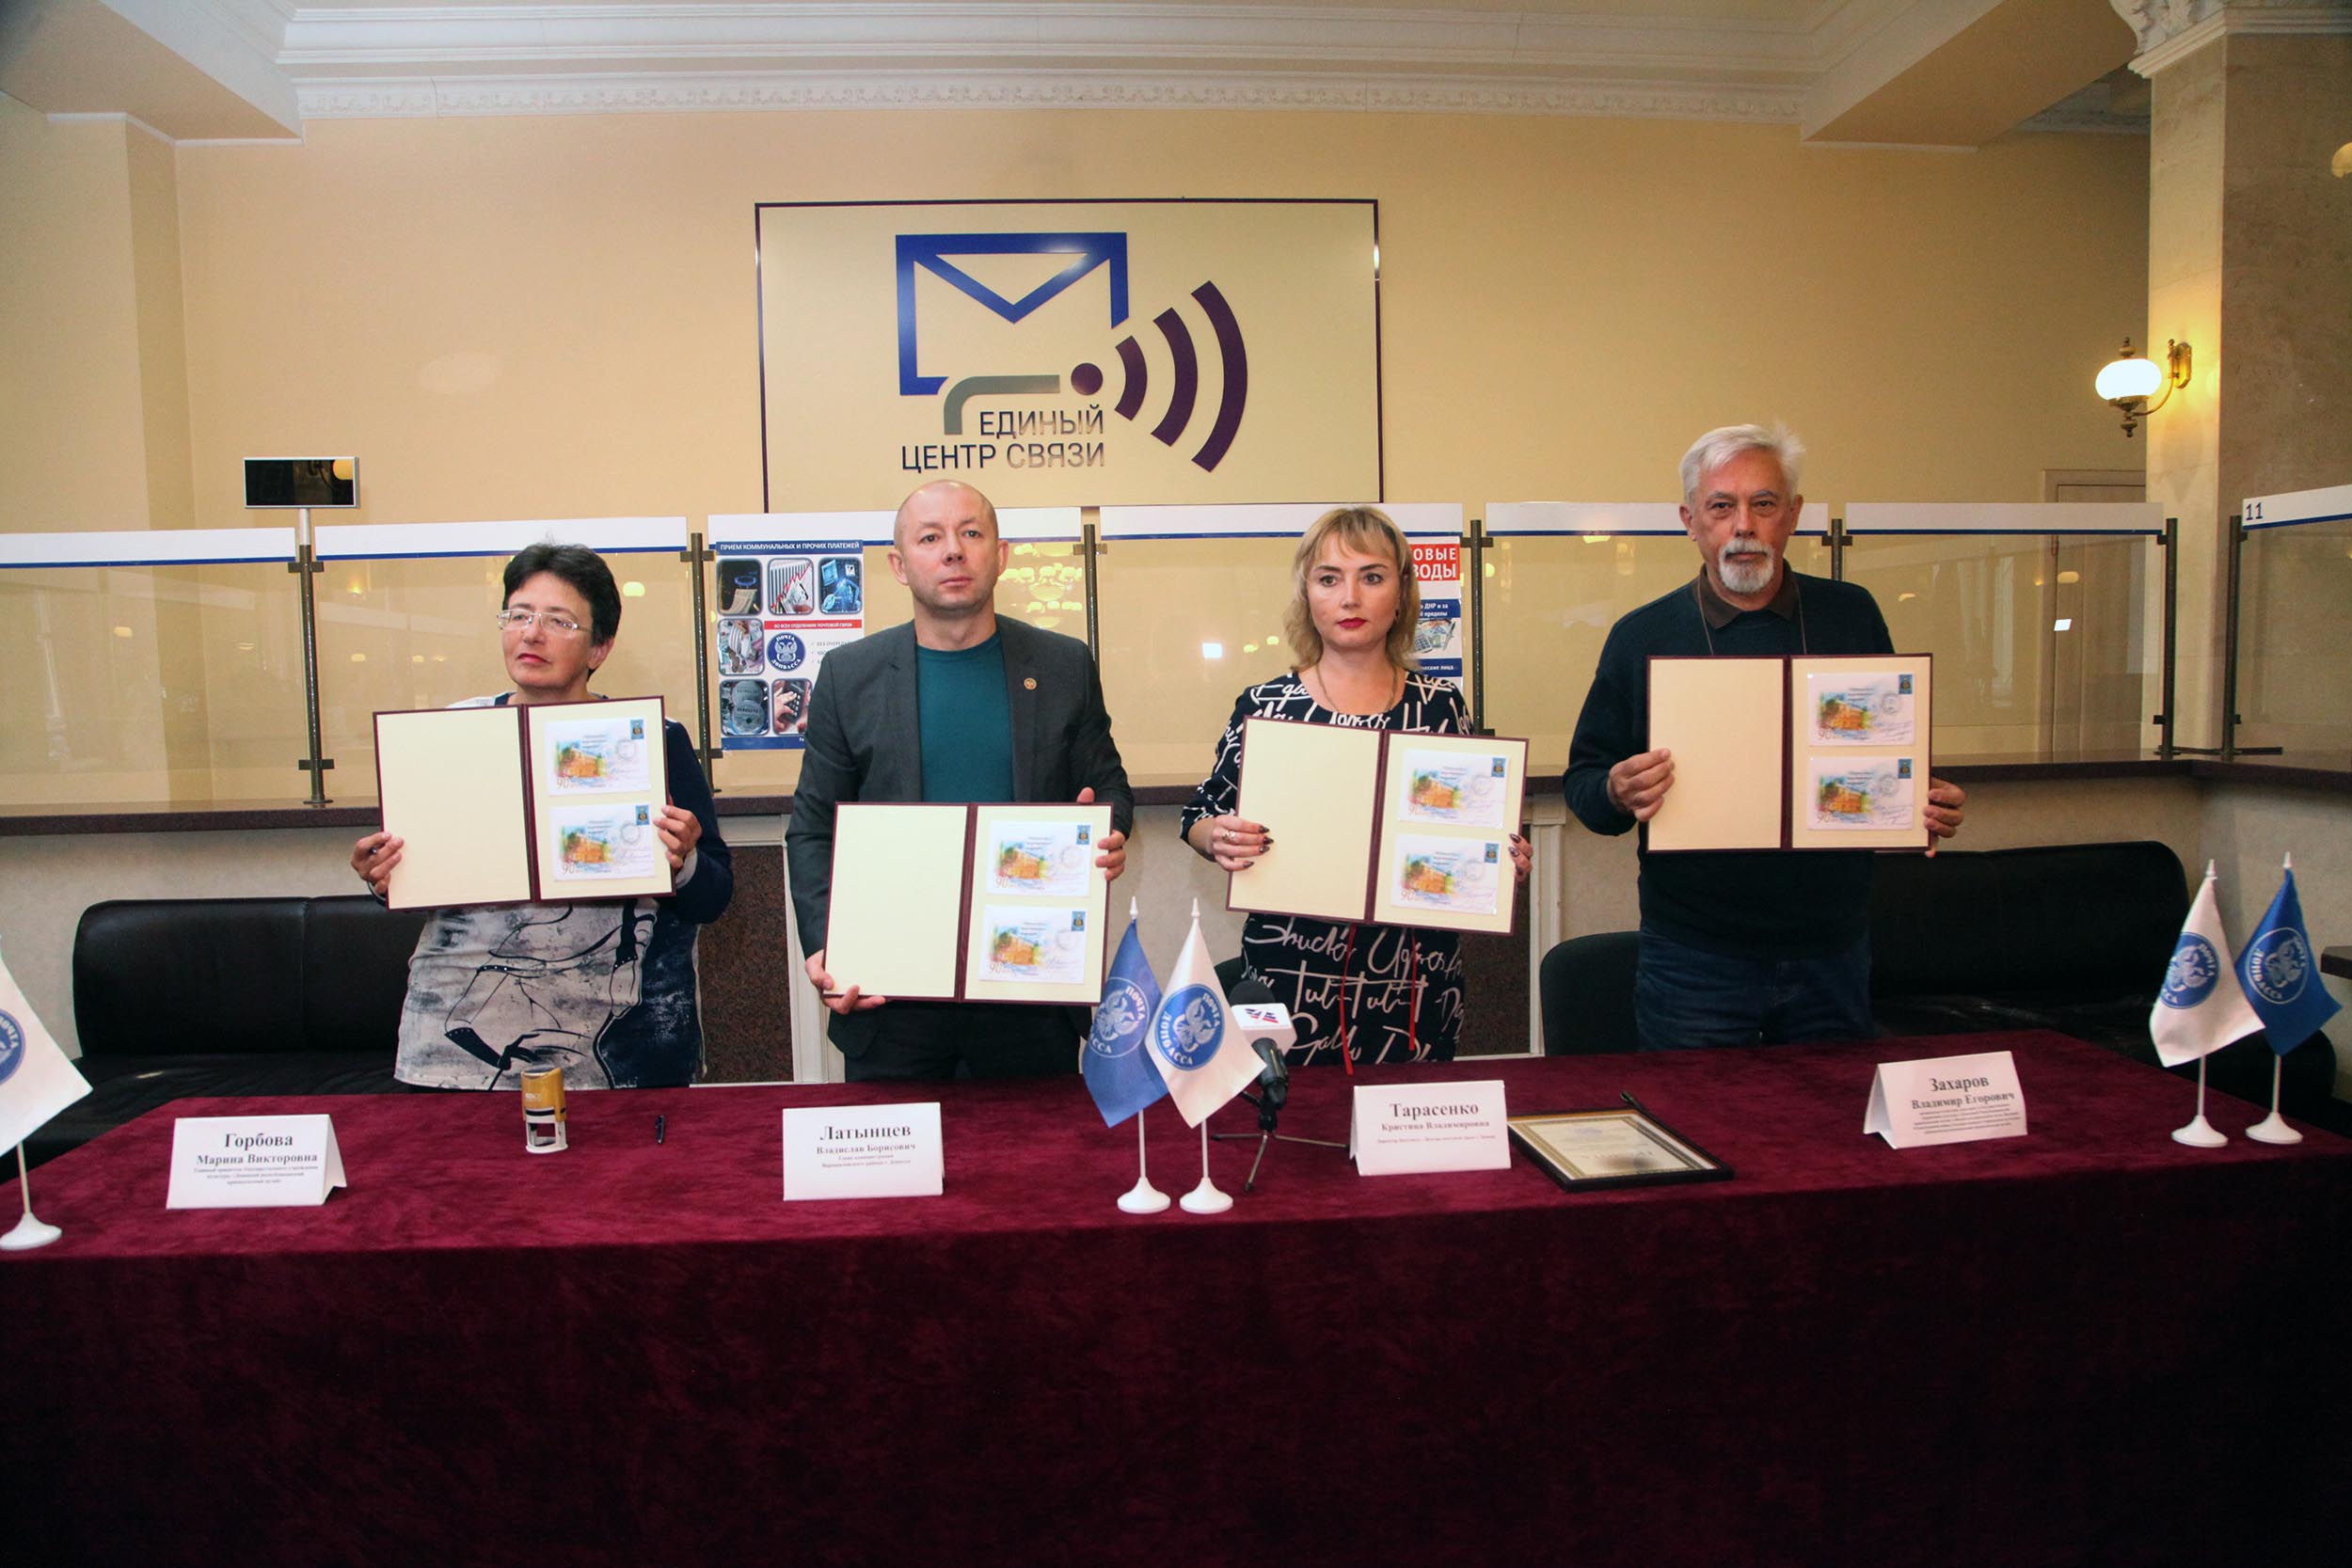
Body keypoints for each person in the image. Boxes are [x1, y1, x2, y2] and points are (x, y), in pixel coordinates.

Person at [1565, 424, 1965, 1050]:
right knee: (1691, 1112)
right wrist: (1616, 790)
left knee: (1830, 1113)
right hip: (1693, 958)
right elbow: (1584, 786)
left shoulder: (1851, 615)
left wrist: (1923, 802)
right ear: (1690, 521)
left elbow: (1885, 754)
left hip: (1831, 952)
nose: (1744, 525)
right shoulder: (1642, 635)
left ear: (1794, 516)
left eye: (1764, 503)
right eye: (1721, 506)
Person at [352, 543, 734, 1088]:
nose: (531, 634)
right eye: (518, 615)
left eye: (558, 621)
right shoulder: (449, 735)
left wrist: (684, 859)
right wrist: (385, 874)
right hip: (455, 1048)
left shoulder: (654, 740)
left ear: (600, 647)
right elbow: (417, 876)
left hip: (622, 1044)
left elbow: (714, 896)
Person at [786, 480, 1132, 1081]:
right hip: (892, 994)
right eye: (930, 538)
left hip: (1029, 990)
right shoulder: (848, 675)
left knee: (1038, 1145)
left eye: (971, 533)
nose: (953, 550)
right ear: (899, 565)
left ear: (1001, 555)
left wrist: (1108, 830)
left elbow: (1109, 787)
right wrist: (825, 945)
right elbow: (813, 830)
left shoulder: (1062, 664)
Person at [1181, 505, 1531, 1067]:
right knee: (1294, 1119)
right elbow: (1199, 815)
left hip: (1417, 981)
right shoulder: (1267, 705)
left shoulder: (1441, 705)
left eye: (1372, 577)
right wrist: (1217, 836)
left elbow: (1475, 827)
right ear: (1307, 595)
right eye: (1329, 579)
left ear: (1402, 592)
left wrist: (1500, 858)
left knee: (1412, 1120)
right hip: (1289, 973)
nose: (1350, 598)